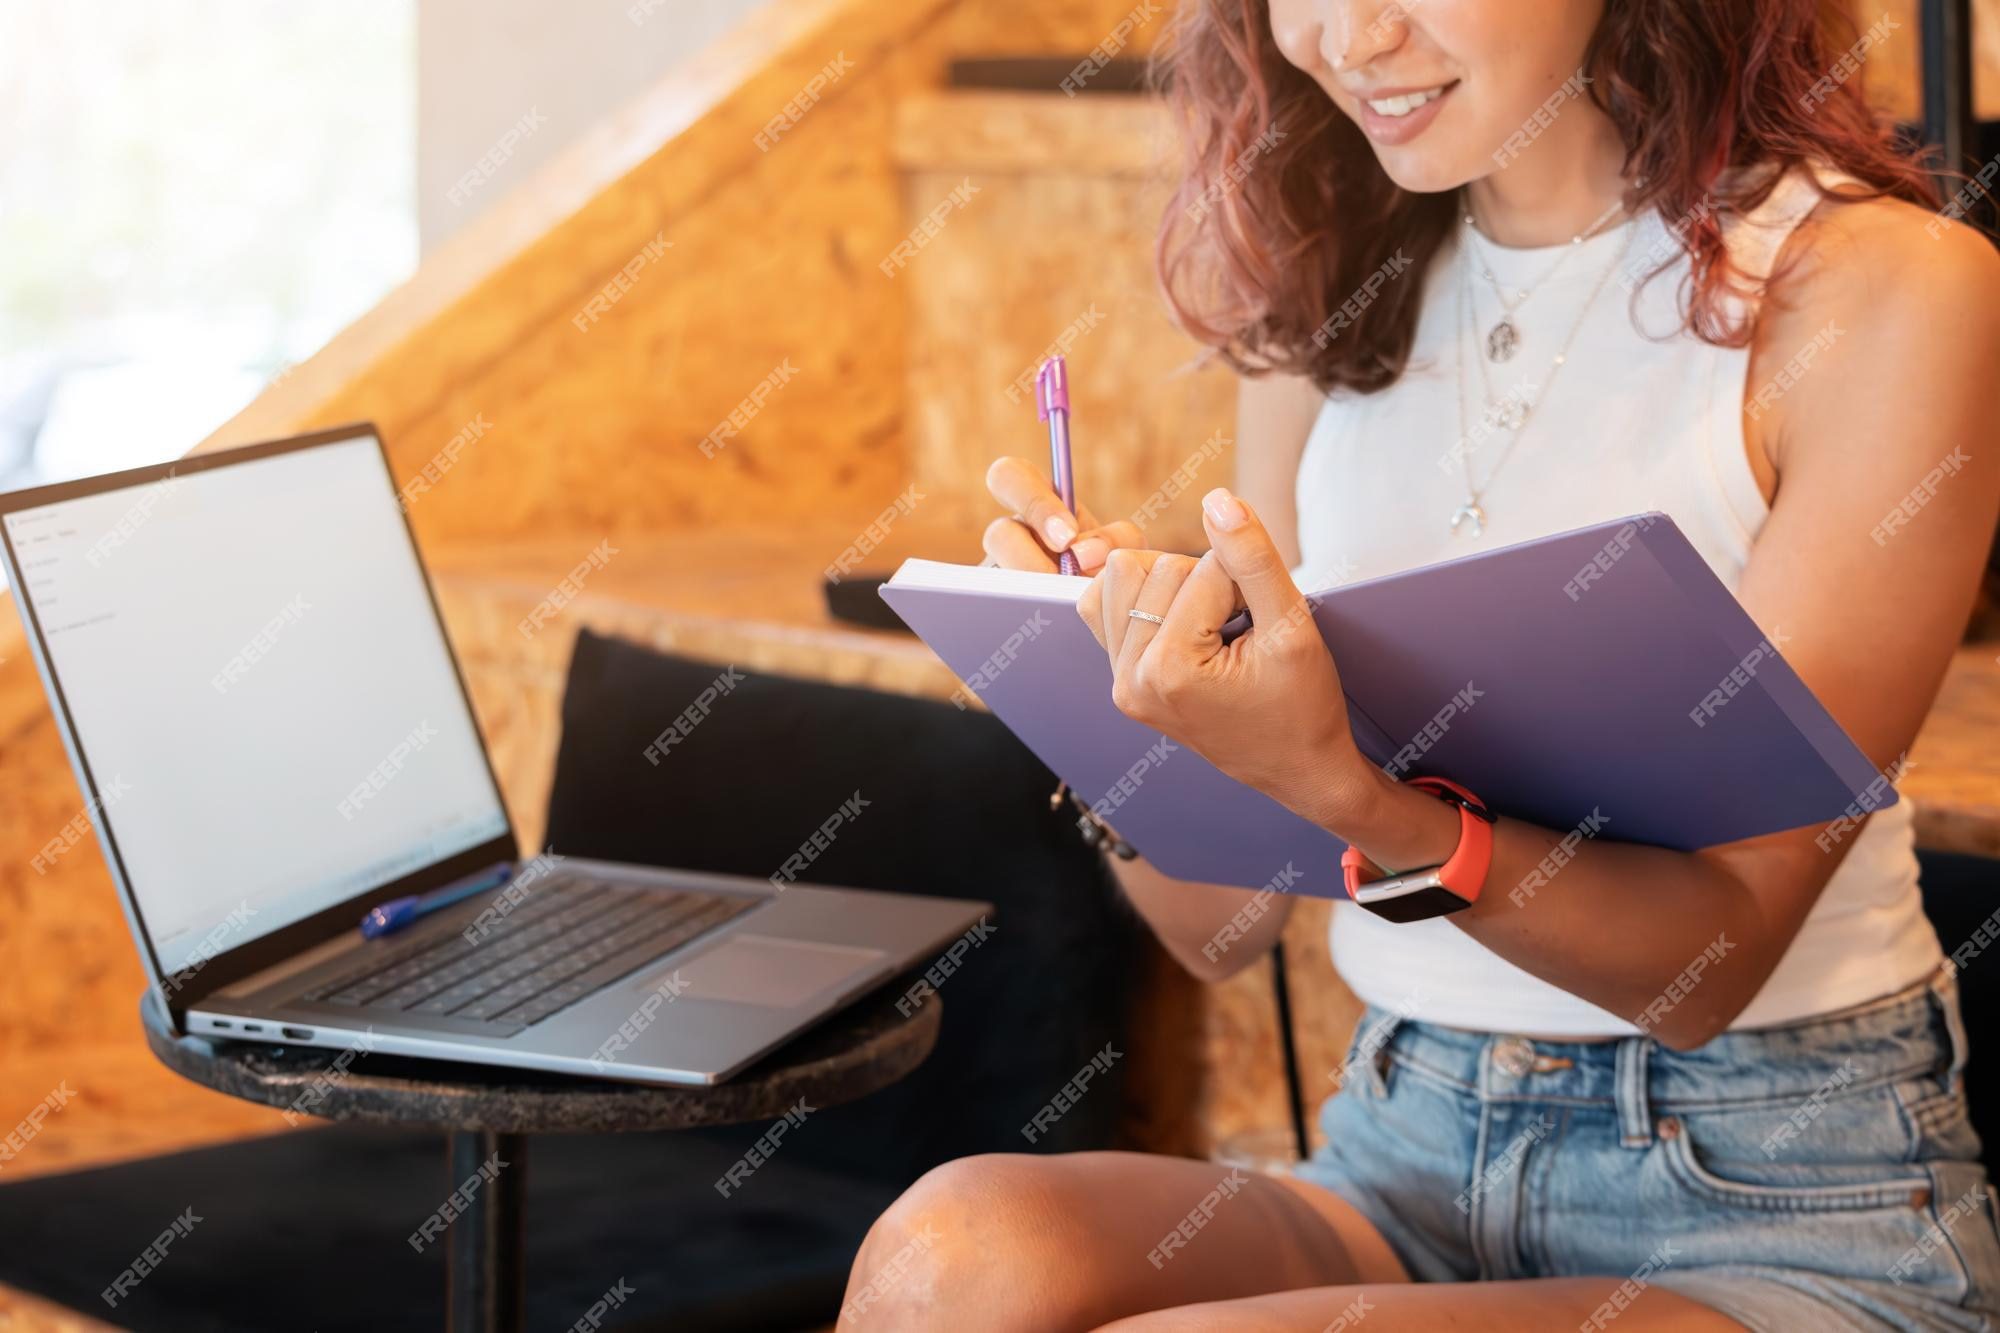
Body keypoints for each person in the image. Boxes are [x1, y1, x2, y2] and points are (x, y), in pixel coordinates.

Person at [842, 0, 2000, 1327]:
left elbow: (1713, 963)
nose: (1349, 35)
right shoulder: (1336, 307)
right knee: (948, 1253)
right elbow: (1216, 926)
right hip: (1406, 1152)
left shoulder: (1884, 291)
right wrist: (1117, 708)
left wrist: (1355, 795)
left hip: (1776, 1195)